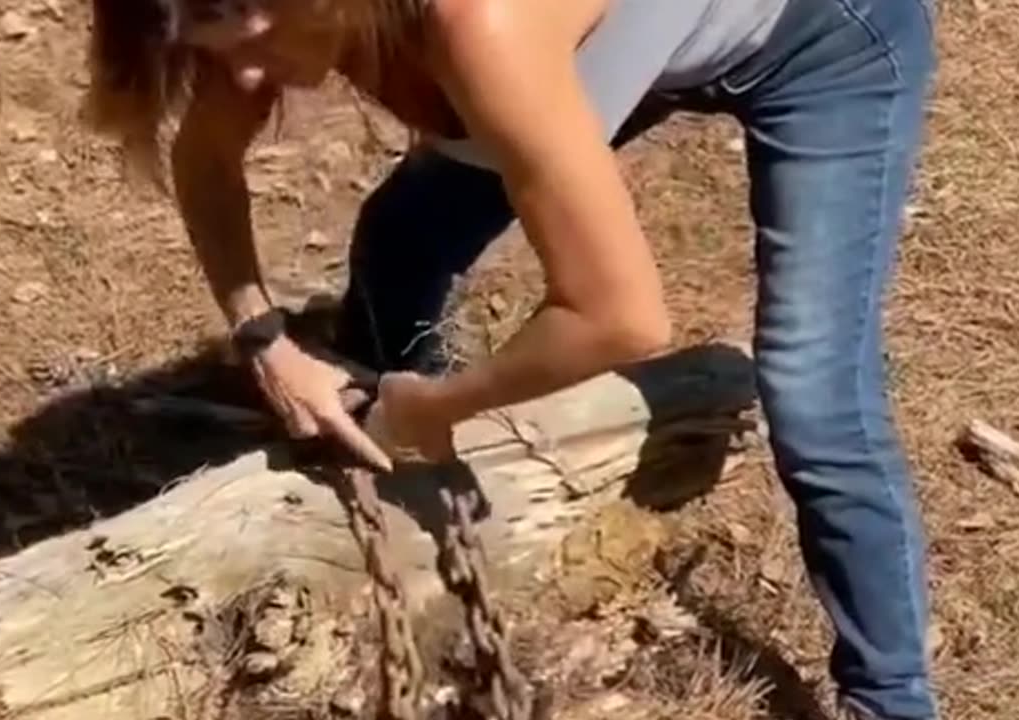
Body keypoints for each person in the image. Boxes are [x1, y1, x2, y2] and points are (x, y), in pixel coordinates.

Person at [82, 0, 940, 717]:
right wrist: (263, 339)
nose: (240, 73)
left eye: (244, 34)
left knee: (815, 394)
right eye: (211, 46)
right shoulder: (267, 22)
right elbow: (205, 157)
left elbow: (620, 316)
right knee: (402, 243)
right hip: (634, 38)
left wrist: (446, 404)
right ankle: (409, 498)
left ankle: (892, 696)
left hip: (826, 33)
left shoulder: (480, 26)